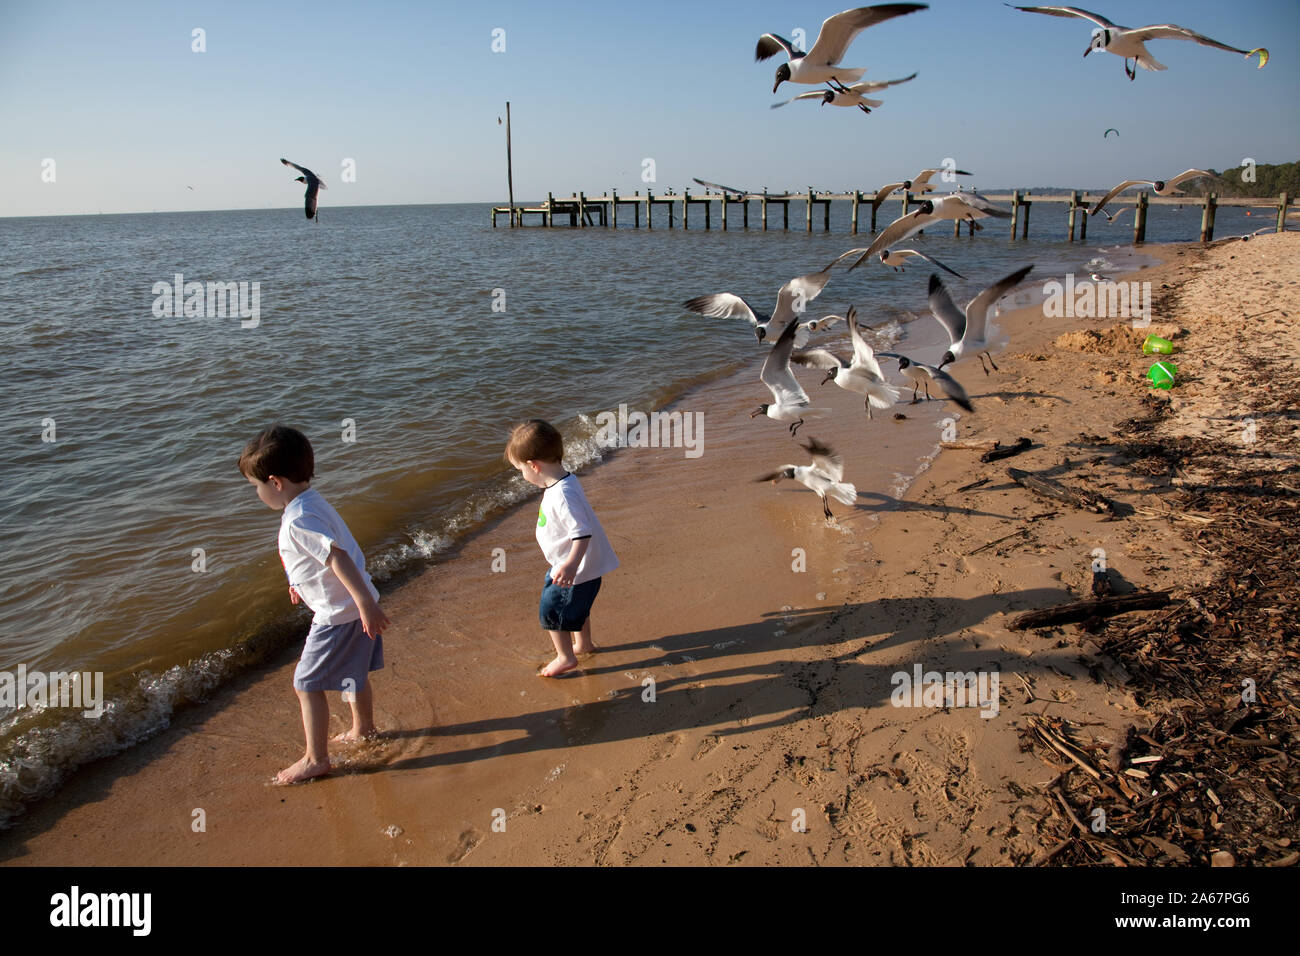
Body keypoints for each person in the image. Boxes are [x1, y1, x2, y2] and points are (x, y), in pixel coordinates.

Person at [238, 424, 390, 784]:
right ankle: (363, 728)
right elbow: (316, 556)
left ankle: (315, 758)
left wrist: (365, 604)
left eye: (256, 487)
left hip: (338, 614)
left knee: (306, 684)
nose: (257, 494)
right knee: (354, 673)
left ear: (275, 482)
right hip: (349, 606)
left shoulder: (298, 519)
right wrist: (298, 582)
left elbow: (336, 557)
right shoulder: (311, 501)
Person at [504, 420, 618, 677]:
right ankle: (583, 644)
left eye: (519, 469)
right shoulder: (565, 481)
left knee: (552, 612)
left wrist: (569, 565)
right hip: (581, 569)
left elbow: (582, 532)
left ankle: (565, 657)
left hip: (573, 571)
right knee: (578, 609)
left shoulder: (562, 495)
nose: (521, 474)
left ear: (534, 465)